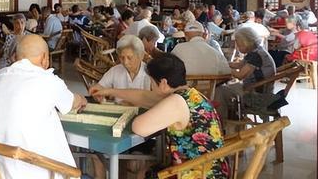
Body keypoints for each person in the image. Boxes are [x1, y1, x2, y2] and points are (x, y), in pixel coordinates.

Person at [91, 55, 229, 179]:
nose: (151, 87)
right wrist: (108, 91)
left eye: (151, 82)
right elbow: (143, 96)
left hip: (200, 173)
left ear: (163, 83)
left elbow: (139, 127)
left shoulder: (175, 102)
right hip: (211, 167)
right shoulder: (190, 94)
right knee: (144, 172)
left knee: (145, 174)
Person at [0, 35, 87, 179]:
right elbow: (71, 103)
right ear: (44, 58)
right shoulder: (47, 80)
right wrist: (82, 99)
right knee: (72, 171)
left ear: (16, 57)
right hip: (27, 171)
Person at [214, 26, 276, 120]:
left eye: (239, 45)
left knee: (219, 91)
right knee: (226, 89)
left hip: (257, 95)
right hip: (261, 89)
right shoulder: (257, 51)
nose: (237, 47)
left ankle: (223, 120)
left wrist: (225, 68)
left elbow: (240, 75)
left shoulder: (255, 56)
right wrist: (223, 63)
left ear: (246, 43)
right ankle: (232, 116)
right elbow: (239, 65)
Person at [89, 35, 151, 103]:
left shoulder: (150, 73)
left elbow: (152, 100)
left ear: (140, 56)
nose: (125, 62)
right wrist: (97, 92)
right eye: (122, 57)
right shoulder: (115, 70)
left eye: (129, 58)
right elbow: (100, 86)